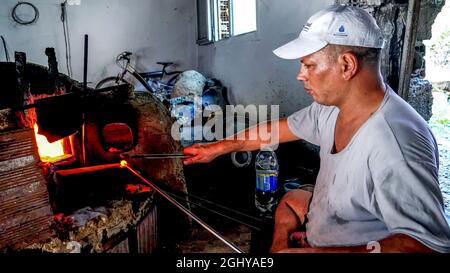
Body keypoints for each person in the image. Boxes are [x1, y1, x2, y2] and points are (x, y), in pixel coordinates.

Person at [183, 4, 450, 253]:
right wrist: (216, 148)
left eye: (309, 65)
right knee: (291, 198)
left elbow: (426, 246)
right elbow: (277, 130)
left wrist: (321, 252)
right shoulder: (332, 108)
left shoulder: (395, 142)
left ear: (347, 65)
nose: (300, 74)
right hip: (320, 234)